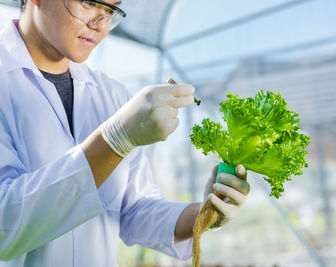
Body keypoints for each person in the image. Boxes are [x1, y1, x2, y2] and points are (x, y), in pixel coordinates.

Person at [0, 0, 250, 266]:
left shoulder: (112, 94)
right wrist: (115, 140)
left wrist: (203, 214)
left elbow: (134, 210)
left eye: (110, 11)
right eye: (88, 3)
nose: (100, 25)